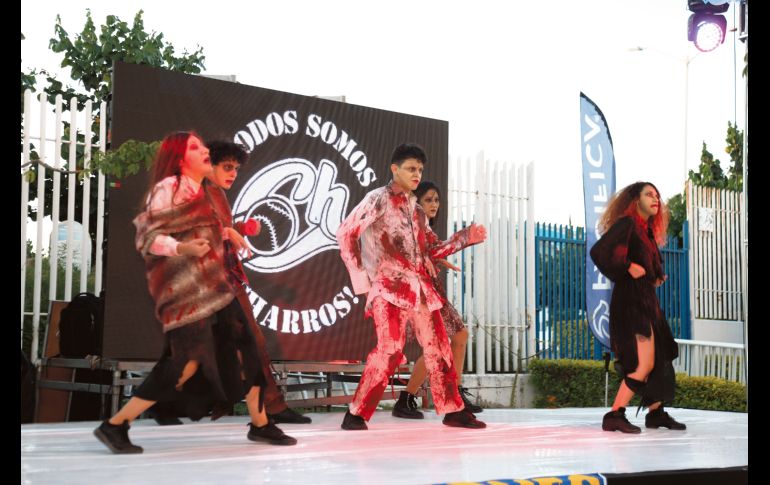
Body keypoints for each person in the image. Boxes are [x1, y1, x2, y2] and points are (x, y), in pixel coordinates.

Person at [93, 132, 296, 454]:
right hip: (187, 294)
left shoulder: (204, 195)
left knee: (249, 353)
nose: (203, 151)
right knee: (182, 364)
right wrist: (181, 247)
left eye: (203, 146)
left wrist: (232, 232)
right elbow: (147, 237)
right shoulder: (168, 189)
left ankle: (260, 425)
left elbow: (210, 229)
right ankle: (116, 424)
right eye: (194, 147)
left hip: (217, 289)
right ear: (178, 157)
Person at [335, 143, 487, 430]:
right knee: (390, 349)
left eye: (420, 169)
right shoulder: (377, 199)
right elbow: (345, 233)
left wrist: (465, 238)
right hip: (388, 288)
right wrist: (363, 283)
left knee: (439, 347)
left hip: (420, 291)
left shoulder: (417, 211)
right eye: (411, 169)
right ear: (395, 169)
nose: (417, 174)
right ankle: (356, 413)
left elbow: (432, 249)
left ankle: (453, 410)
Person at [589, 181, 686, 434]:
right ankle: (614, 414)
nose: (656, 199)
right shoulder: (628, 224)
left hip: (646, 301)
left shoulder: (647, 232)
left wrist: (654, 276)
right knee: (643, 363)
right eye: (649, 194)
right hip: (632, 304)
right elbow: (600, 251)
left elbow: (647, 266)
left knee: (659, 357)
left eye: (657, 195)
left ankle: (655, 413)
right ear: (635, 200)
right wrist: (627, 266)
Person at [391, 180, 482, 419]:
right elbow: (428, 250)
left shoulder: (426, 228)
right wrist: (466, 237)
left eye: (436, 200)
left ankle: (417, 397)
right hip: (423, 294)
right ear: (417, 203)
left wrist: (437, 259)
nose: (433, 204)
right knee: (440, 345)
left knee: (455, 339)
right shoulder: (415, 225)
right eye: (428, 200)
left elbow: (431, 251)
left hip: (432, 292)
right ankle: (411, 398)